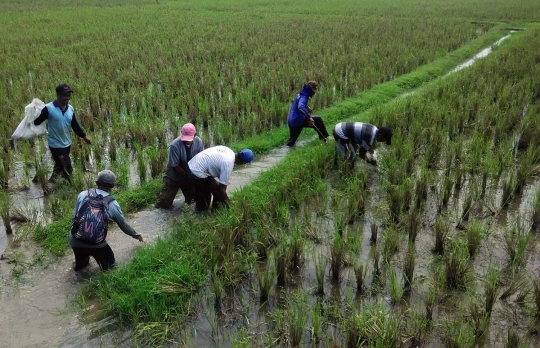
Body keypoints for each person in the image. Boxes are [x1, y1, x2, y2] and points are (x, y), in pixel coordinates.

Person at [70, 170, 143, 272]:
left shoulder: (83, 194)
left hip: (75, 239)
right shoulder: (112, 204)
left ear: (96, 182)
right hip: (97, 244)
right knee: (110, 268)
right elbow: (123, 225)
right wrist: (136, 235)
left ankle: (76, 280)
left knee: (81, 268)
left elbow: (76, 217)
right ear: (112, 186)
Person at [33, 84, 92, 182]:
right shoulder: (49, 108)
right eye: (65, 95)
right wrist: (33, 112)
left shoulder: (70, 109)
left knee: (59, 165)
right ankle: (72, 186)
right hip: (55, 144)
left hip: (67, 143)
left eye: (69, 95)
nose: (68, 98)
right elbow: (37, 122)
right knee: (67, 166)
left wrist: (84, 136)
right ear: (58, 95)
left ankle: (51, 181)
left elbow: (74, 125)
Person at [186, 146, 254, 211]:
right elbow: (222, 190)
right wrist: (229, 205)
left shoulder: (228, 150)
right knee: (218, 191)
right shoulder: (228, 164)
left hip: (190, 165)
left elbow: (216, 165)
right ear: (243, 162)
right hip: (196, 172)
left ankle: (199, 210)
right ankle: (215, 212)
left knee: (204, 193)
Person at [155, 123, 204, 209]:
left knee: (192, 200)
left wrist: (194, 175)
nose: (186, 141)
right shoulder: (175, 145)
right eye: (184, 139)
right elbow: (175, 165)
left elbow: (201, 158)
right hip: (174, 174)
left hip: (190, 172)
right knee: (163, 204)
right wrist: (186, 174)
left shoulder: (198, 142)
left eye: (188, 139)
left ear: (195, 135)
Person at [286, 80, 330, 146]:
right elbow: (300, 107)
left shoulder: (301, 93)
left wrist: (307, 107)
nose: (314, 93)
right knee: (318, 120)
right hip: (298, 120)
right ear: (310, 90)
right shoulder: (304, 96)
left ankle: (287, 151)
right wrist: (309, 117)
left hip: (291, 120)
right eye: (313, 91)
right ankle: (325, 138)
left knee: (291, 142)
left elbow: (298, 103)